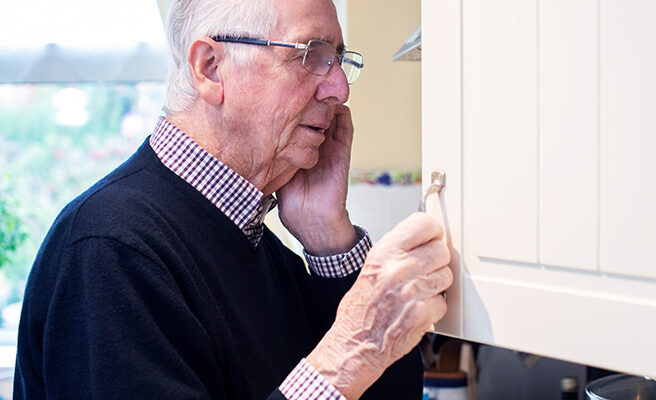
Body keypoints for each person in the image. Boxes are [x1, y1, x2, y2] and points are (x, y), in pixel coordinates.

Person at [13, 0, 453, 398]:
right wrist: (351, 351)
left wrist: (329, 239)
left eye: (338, 60)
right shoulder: (110, 248)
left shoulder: (265, 253)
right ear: (210, 68)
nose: (340, 88)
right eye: (311, 55)